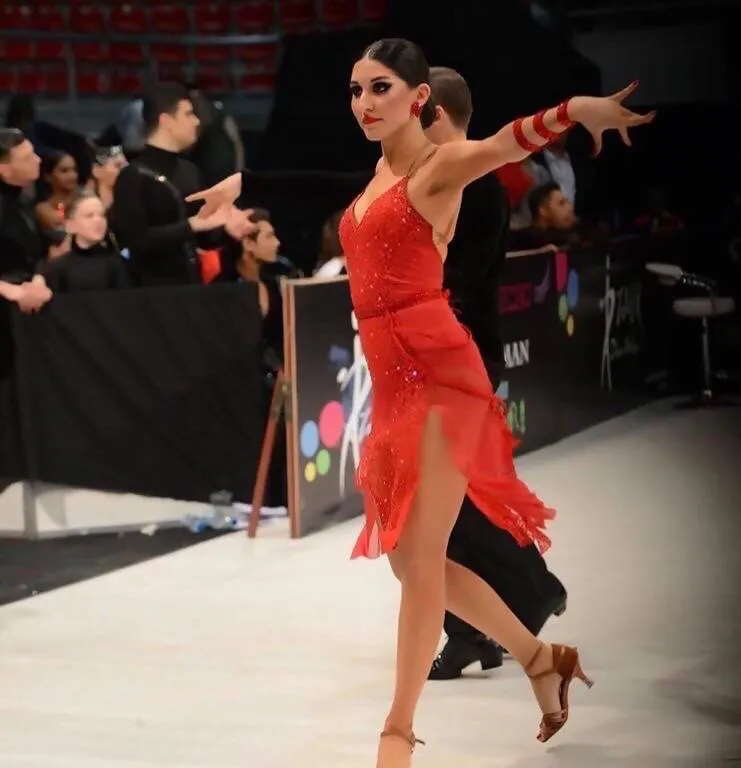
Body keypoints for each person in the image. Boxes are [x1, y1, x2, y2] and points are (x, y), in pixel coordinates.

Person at [185, 38, 653, 763]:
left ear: (417, 99)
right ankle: (539, 659)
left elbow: (506, 142)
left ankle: (396, 735)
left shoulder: (441, 169)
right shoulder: (376, 172)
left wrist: (578, 109)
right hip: (392, 379)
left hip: (438, 371)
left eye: (378, 89)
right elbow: (311, 177)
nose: (363, 103)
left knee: (424, 558)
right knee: (410, 562)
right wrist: (242, 183)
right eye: (353, 90)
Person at [423, 66, 567, 680]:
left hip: (458, 354)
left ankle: (528, 591)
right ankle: (481, 623)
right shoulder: (438, 176)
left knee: (453, 503)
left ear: (430, 111)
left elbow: (460, 279)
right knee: (452, 501)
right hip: (440, 353)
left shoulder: (470, 179)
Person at [109, 82, 254, 287]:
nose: (196, 121)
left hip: (192, 289)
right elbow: (136, 240)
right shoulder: (133, 176)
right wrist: (191, 225)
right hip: (151, 296)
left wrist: (227, 228)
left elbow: (205, 239)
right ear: (166, 121)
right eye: (188, 114)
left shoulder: (190, 171)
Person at [38, 190, 130, 294]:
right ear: (70, 225)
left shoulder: (120, 264)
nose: (98, 220)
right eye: (89, 216)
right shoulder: (56, 269)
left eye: (102, 215)